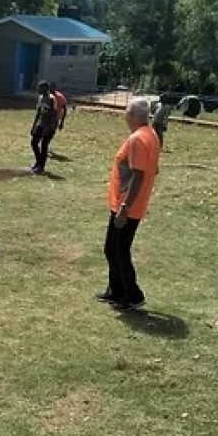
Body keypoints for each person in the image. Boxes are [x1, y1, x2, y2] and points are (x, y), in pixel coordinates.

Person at [96, 99, 161, 311]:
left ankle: (131, 295)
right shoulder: (151, 135)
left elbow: (138, 175)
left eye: (126, 114)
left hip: (127, 206)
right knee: (113, 248)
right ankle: (115, 290)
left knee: (117, 250)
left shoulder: (137, 139)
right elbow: (153, 169)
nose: (125, 118)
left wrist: (124, 207)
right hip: (130, 203)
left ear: (133, 116)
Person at [30, 80, 58, 174]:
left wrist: (49, 127)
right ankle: (38, 161)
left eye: (40, 87)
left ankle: (41, 167)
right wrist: (34, 126)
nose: (38, 89)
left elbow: (54, 115)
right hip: (41, 124)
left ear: (46, 88)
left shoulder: (51, 99)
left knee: (44, 145)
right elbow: (38, 113)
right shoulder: (41, 98)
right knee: (34, 142)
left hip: (49, 126)